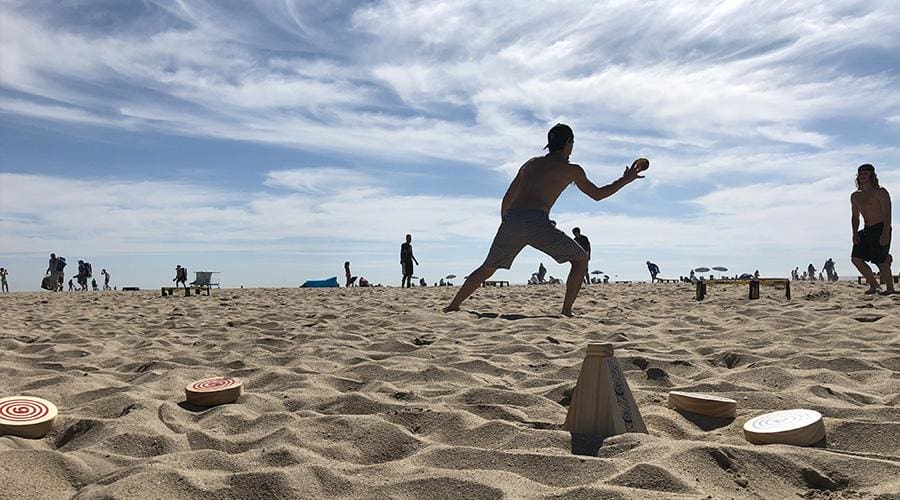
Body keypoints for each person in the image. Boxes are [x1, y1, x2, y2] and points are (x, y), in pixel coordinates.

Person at [443, 123, 647, 316]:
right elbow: (598, 194)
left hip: (512, 219)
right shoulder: (572, 170)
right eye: (572, 143)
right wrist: (626, 179)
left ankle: (453, 306)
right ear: (568, 143)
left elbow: (507, 198)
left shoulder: (530, 164)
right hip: (537, 221)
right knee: (580, 259)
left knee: (488, 267)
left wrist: (508, 221)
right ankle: (566, 311)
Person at [851, 163, 894, 295]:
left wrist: (885, 232)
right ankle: (874, 285)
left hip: (881, 228)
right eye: (860, 173)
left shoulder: (880, 192)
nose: (862, 176)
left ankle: (890, 289)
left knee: (880, 260)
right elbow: (855, 217)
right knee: (856, 258)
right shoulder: (855, 196)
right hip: (866, 229)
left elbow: (887, 213)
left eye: (866, 173)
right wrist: (854, 233)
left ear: (872, 175)